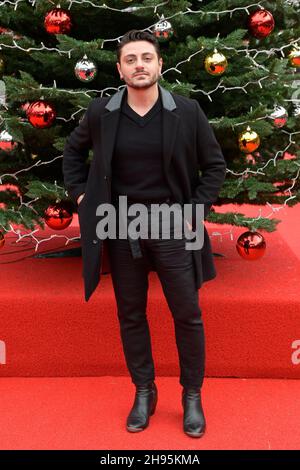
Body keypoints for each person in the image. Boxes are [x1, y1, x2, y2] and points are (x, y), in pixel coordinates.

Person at [63, 30, 226, 438]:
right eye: (131, 59)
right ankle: (144, 390)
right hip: (120, 226)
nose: (139, 64)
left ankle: (192, 395)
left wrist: (196, 209)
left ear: (158, 65)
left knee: (187, 314)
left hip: (175, 224)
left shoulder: (186, 111)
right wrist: (82, 195)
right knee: (130, 313)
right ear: (120, 69)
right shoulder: (102, 112)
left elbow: (215, 166)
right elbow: (71, 153)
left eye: (146, 58)